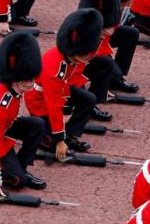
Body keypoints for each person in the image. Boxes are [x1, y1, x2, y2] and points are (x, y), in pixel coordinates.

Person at [0, 32, 47, 199]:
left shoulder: (15, 89)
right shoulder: (1, 104)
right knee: (18, 181)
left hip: (3, 131)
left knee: (36, 124)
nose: (32, 81)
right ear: (16, 79)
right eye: (27, 78)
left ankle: (22, 166)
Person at [24, 8, 103, 156]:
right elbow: (54, 106)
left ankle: (71, 135)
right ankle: (50, 137)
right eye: (85, 53)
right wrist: (59, 140)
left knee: (88, 99)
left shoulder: (74, 52)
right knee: (51, 143)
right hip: (39, 101)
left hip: (60, 89)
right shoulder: (54, 69)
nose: (88, 56)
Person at [74, 0, 126, 121]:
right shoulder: (81, 36)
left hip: (89, 60)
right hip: (67, 80)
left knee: (107, 64)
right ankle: (88, 106)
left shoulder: (105, 16)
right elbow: (75, 71)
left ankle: (95, 100)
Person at [95, 0, 142, 93]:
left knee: (131, 34)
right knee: (110, 68)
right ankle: (113, 79)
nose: (133, 0)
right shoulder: (100, 5)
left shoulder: (117, 1)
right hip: (93, 47)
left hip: (106, 39)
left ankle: (118, 77)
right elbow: (96, 41)